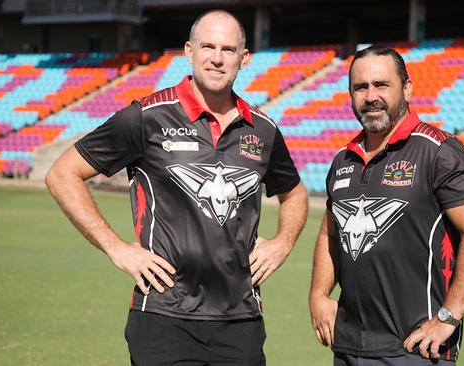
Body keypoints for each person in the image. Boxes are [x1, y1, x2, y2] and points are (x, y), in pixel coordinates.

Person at [46, 10, 308, 365]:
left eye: (228, 50)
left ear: (244, 59)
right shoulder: (146, 117)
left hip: (240, 320)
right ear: (189, 51)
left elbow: (294, 193)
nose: (217, 58)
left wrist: (282, 242)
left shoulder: (262, 130)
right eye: (208, 47)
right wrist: (117, 248)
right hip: (162, 316)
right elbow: (63, 174)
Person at [309, 46, 464, 365]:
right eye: (361, 87)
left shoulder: (439, 151)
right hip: (348, 347)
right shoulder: (343, 160)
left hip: (416, 349)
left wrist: (447, 319)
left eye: (381, 85)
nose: (371, 96)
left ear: (407, 89)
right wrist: (318, 294)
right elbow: (331, 234)